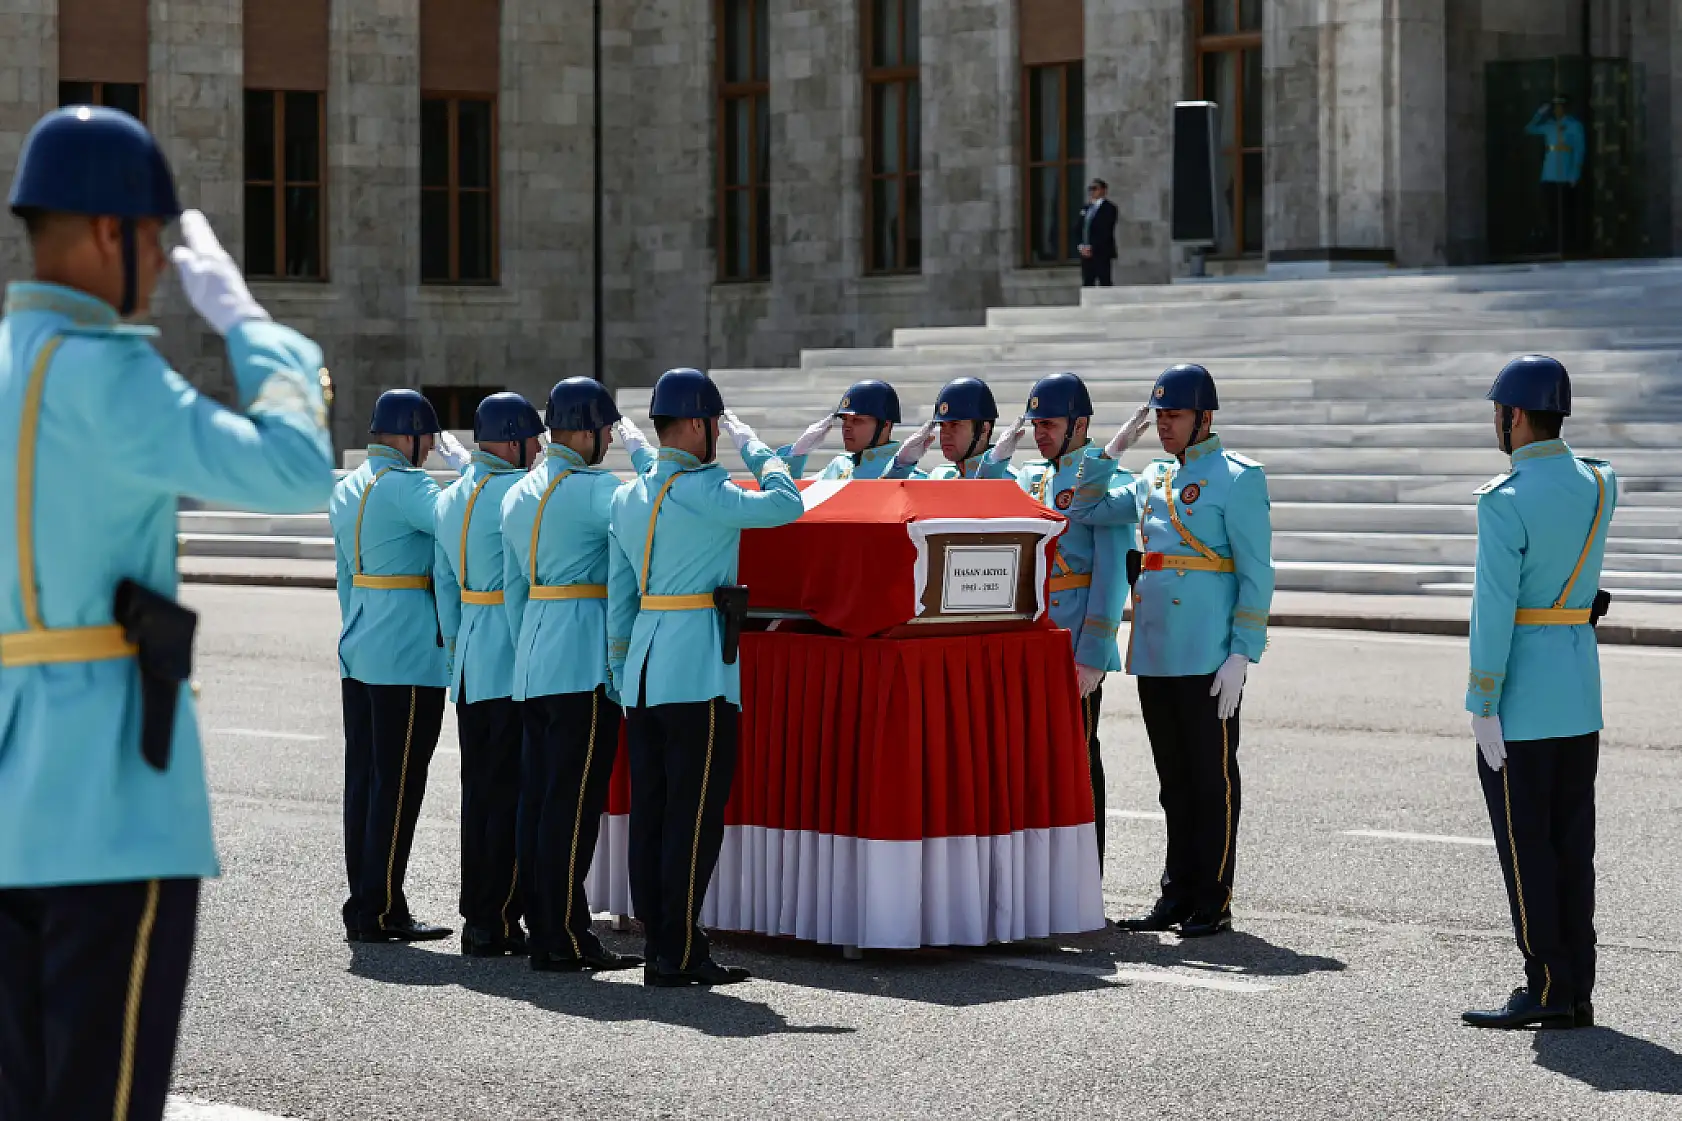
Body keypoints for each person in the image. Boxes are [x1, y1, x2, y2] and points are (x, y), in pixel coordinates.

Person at [0, 106, 334, 1121]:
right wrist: (249, 326)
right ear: (111, 232)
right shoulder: (107, 372)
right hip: (109, 805)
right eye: (152, 246)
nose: (155, 275)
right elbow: (297, 467)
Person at [606, 367, 804, 986]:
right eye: (716, 424)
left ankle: (659, 943)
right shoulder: (705, 488)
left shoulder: (631, 493)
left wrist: (620, 665)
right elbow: (786, 504)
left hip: (642, 668)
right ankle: (680, 950)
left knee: (654, 813)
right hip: (697, 672)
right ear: (696, 423)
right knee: (695, 815)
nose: (718, 434)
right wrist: (760, 450)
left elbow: (620, 594)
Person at [1076, 364, 1273, 939]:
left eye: (1174, 416)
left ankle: (1213, 898)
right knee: (1172, 782)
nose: (1164, 426)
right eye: (1158, 416)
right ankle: (1175, 894)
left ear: (1204, 418)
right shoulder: (1152, 478)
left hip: (1209, 654)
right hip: (1158, 649)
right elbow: (1085, 508)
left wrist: (1244, 652)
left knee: (1211, 781)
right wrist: (1112, 448)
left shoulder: (1238, 477)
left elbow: (1257, 573)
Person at [1461, 356, 1616, 1032]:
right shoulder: (1600, 485)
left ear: (1514, 415)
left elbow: (1493, 608)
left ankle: (1546, 981)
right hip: (1579, 692)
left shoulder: (1506, 499)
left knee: (1527, 847)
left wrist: (1482, 697)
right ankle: (1576, 984)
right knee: (1571, 842)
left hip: (1521, 699)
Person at [502, 378, 654, 972]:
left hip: (535, 661)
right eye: (608, 432)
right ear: (588, 431)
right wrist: (618, 662)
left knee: (540, 803)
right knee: (573, 807)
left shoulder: (519, 494)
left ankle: (549, 925)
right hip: (583, 662)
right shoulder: (602, 493)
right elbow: (622, 583)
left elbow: (516, 591)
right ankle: (562, 936)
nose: (611, 441)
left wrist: (526, 653)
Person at [331, 388, 470, 945]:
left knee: (364, 780)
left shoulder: (348, 488)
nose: (430, 451)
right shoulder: (410, 488)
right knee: (400, 782)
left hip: (360, 643)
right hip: (407, 653)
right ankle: (382, 906)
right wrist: (469, 470)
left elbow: (345, 576)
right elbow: (460, 520)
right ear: (409, 438)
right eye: (428, 442)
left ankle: (367, 896)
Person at [1009, 373, 1153, 871]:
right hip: (1031, 638)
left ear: (1079, 425)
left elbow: (1113, 574)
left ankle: (1083, 873)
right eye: (1035, 425)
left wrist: (1093, 652)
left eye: (1048, 423)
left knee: (1076, 761)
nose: (1039, 433)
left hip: (1073, 645)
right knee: (1028, 763)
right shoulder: (1031, 477)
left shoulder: (1110, 485)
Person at [433, 392, 544, 956]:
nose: (537, 450)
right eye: (533, 439)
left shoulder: (452, 496)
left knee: (477, 792)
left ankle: (478, 911)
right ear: (514, 440)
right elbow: (521, 586)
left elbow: (444, 586)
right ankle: (499, 917)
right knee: (508, 794)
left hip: (471, 656)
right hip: (507, 653)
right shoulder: (516, 495)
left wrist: (455, 657)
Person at [779, 379, 932, 480]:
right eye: (845, 420)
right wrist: (795, 455)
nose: (846, 428)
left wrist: (899, 470)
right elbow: (790, 501)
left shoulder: (912, 477)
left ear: (885, 424)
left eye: (857, 420)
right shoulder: (839, 466)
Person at [921, 377, 1017, 480]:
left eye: (954, 425)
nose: (944, 434)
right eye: (942, 425)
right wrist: (903, 465)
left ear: (983, 429)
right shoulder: (938, 477)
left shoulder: (1011, 481)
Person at [1077, 178, 1118, 287]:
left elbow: (1105, 230)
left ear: (1103, 190)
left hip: (1101, 251)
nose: (1092, 192)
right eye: (1090, 189)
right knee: (1088, 281)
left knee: (1104, 280)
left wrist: (1092, 247)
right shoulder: (1086, 208)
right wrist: (1081, 246)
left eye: (1095, 188)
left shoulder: (1109, 208)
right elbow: (1079, 228)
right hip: (1086, 253)